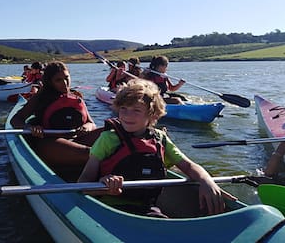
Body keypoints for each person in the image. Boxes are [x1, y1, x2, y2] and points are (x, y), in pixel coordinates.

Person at [78, 78, 236, 217]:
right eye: (123, 109)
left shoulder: (160, 139)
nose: (127, 115)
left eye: (136, 110)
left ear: (152, 115)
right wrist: (104, 186)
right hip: (108, 207)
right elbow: (83, 184)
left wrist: (206, 180)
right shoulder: (108, 139)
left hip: (148, 208)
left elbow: (188, 165)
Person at [11, 61, 103, 180]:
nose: (65, 83)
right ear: (50, 82)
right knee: (90, 153)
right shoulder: (40, 97)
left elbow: (91, 123)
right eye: (58, 80)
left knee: (112, 130)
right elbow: (16, 120)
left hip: (77, 139)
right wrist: (29, 128)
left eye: (66, 78)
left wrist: (88, 127)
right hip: (52, 143)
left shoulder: (77, 97)